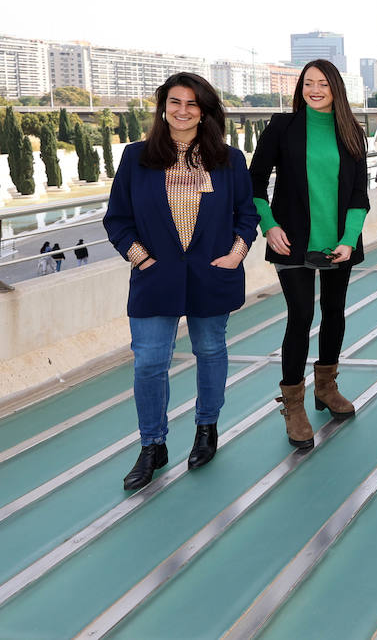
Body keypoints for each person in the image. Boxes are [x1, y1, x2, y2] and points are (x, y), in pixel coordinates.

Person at [103, 72, 258, 490]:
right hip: (156, 279)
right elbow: (117, 219)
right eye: (175, 102)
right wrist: (142, 259)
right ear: (164, 107)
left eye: (193, 104)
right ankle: (153, 444)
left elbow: (247, 215)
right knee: (150, 363)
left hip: (212, 276)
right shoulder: (136, 158)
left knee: (210, 350)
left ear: (205, 111)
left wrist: (236, 254)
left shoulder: (229, 159)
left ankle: (206, 428)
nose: (183, 111)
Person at [250, 59, 370, 450]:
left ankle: (326, 388)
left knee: (334, 313)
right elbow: (253, 182)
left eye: (322, 83)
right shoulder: (282, 127)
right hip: (291, 241)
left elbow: (358, 195)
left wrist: (349, 239)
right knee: (301, 316)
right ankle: (293, 404)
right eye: (308, 83)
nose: (314, 89)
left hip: (337, 242)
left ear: (336, 87)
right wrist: (269, 225)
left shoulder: (351, 130)